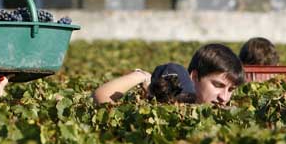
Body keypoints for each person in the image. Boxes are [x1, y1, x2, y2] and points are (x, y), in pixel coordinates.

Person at [93, 43, 244, 107]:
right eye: (218, 85)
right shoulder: (169, 110)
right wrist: (140, 76)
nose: (224, 98)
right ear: (194, 77)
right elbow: (101, 97)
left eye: (231, 90)